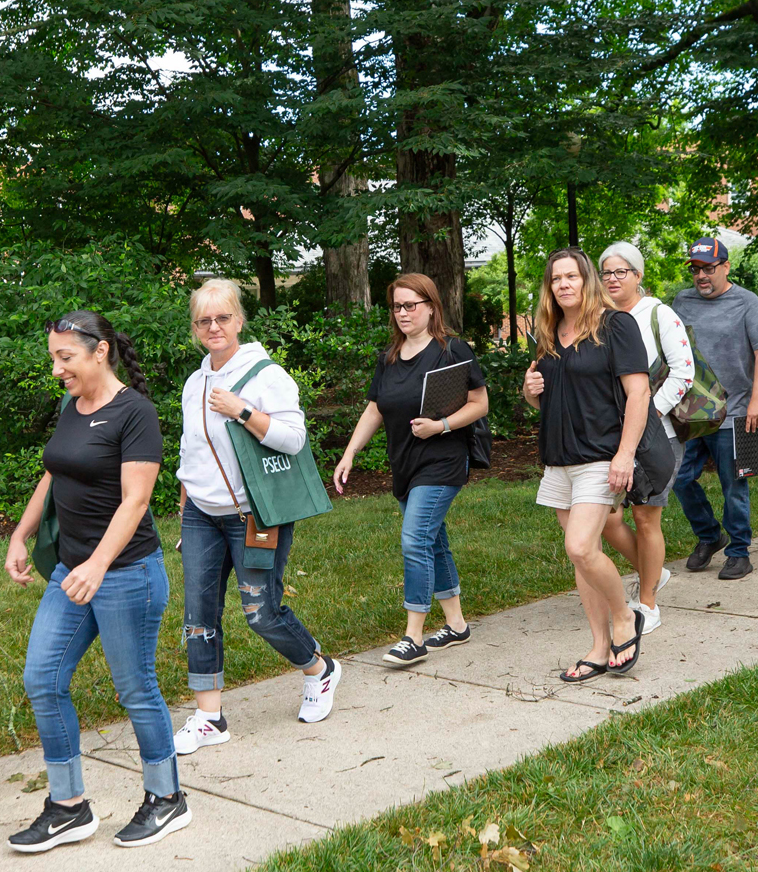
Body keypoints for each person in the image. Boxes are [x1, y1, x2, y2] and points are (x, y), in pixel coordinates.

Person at [4, 311, 189, 852]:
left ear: (100, 351)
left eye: (66, 358)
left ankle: (167, 797)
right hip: (73, 571)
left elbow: (137, 500)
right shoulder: (72, 406)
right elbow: (53, 473)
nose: (57, 370)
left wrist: (99, 564)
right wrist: (21, 533)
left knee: (135, 687)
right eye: (53, 358)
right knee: (43, 679)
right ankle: (69, 807)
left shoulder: (135, 413)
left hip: (127, 572)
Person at [172, 278, 341, 755]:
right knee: (198, 617)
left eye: (223, 317)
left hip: (254, 514)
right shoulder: (194, 382)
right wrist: (184, 511)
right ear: (195, 328)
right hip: (201, 515)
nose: (214, 327)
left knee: (261, 613)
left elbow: (294, 439)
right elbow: (190, 450)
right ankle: (210, 718)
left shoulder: (266, 375)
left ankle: (319, 669)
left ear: (239, 321)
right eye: (204, 320)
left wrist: (242, 410)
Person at [332, 273, 489, 667]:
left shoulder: (451, 350)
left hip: (443, 460)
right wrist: (350, 453)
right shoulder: (389, 358)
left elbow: (480, 403)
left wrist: (441, 426)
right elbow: (375, 409)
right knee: (433, 541)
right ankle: (456, 625)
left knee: (415, 539)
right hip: (404, 463)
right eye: (397, 306)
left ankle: (413, 636)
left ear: (431, 307)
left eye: (410, 305)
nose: (402, 313)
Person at [521, 247, 652, 682]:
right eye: (556, 278)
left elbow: (639, 393)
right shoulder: (547, 331)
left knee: (579, 547)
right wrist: (530, 391)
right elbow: (546, 400)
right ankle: (598, 646)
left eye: (571, 276)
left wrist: (625, 455)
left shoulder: (615, 325)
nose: (563, 284)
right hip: (558, 458)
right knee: (583, 557)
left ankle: (625, 617)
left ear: (587, 280)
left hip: (601, 455)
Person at [596, 241, 693, 633]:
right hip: (611, 438)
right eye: (606, 272)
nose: (613, 279)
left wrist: (647, 416)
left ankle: (648, 603)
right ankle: (652, 570)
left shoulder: (657, 314)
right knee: (603, 515)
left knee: (645, 517)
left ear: (638, 275)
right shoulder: (598, 318)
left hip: (659, 436)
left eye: (621, 271)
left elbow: (683, 372)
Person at [669, 237, 758, 579]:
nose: (701, 276)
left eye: (709, 268)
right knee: (678, 478)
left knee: (735, 484)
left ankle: (739, 551)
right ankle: (709, 535)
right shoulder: (682, 301)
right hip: (691, 411)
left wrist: (757, 398)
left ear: (726, 267)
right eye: (696, 269)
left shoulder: (747, 301)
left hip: (736, 409)